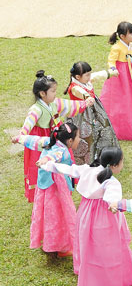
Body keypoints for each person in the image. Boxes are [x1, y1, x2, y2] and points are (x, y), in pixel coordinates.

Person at [40, 146, 132, 286]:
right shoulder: (111, 182)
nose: (122, 164)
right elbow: (112, 199)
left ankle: (90, 273)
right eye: (122, 162)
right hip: (104, 218)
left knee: (88, 245)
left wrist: (46, 165)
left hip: (85, 214)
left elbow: (68, 169)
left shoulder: (87, 169)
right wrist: (114, 205)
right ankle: (108, 282)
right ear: (113, 165)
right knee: (107, 247)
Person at [17, 71, 93, 202]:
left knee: (62, 160)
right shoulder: (36, 109)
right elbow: (28, 123)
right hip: (42, 141)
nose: (55, 94)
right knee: (43, 166)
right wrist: (22, 136)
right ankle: (44, 193)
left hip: (56, 137)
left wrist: (85, 104)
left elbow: (69, 105)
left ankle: (61, 186)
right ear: (42, 93)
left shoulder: (54, 103)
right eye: (53, 91)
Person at [13, 120, 80, 257]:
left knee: (48, 214)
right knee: (58, 215)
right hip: (56, 190)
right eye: (78, 137)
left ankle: (51, 241)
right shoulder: (61, 150)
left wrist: (19, 138)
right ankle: (59, 244)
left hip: (45, 187)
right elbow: (54, 156)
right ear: (70, 141)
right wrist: (45, 160)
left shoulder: (49, 141)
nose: (80, 140)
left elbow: (33, 140)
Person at [65, 61, 120, 165]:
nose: (89, 76)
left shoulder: (85, 80)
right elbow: (81, 93)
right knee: (85, 136)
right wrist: (88, 97)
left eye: (89, 74)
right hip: (81, 114)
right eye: (87, 75)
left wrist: (110, 73)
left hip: (95, 109)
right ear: (77, 77)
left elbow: (97, 75)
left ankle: (105, 153)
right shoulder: (74, 88)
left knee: (103, 128)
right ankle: (87, 160)